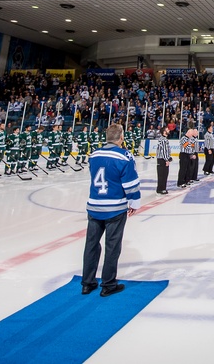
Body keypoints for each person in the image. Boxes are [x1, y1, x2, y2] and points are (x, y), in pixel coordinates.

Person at [81, 123, 141, 297]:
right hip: (114, 208)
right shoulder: (125, 156)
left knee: (91, 245)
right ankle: (108, 284)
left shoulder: (94, 154)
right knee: (112, 246)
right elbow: (131, 184)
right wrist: (134, 202)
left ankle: (87, 283)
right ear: (121, 137)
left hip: (94, 206)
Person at [155, 129, 172, 194]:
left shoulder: (163, 139)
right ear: (164, 132)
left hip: (162, 159)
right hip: (162, 160)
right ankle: (161, 188)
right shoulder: (163, 140)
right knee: (162, 174)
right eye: (167, 130)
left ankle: (162, 188)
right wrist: (166, 159)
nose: (169, 130)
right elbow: (164, 151)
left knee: (164, 174)